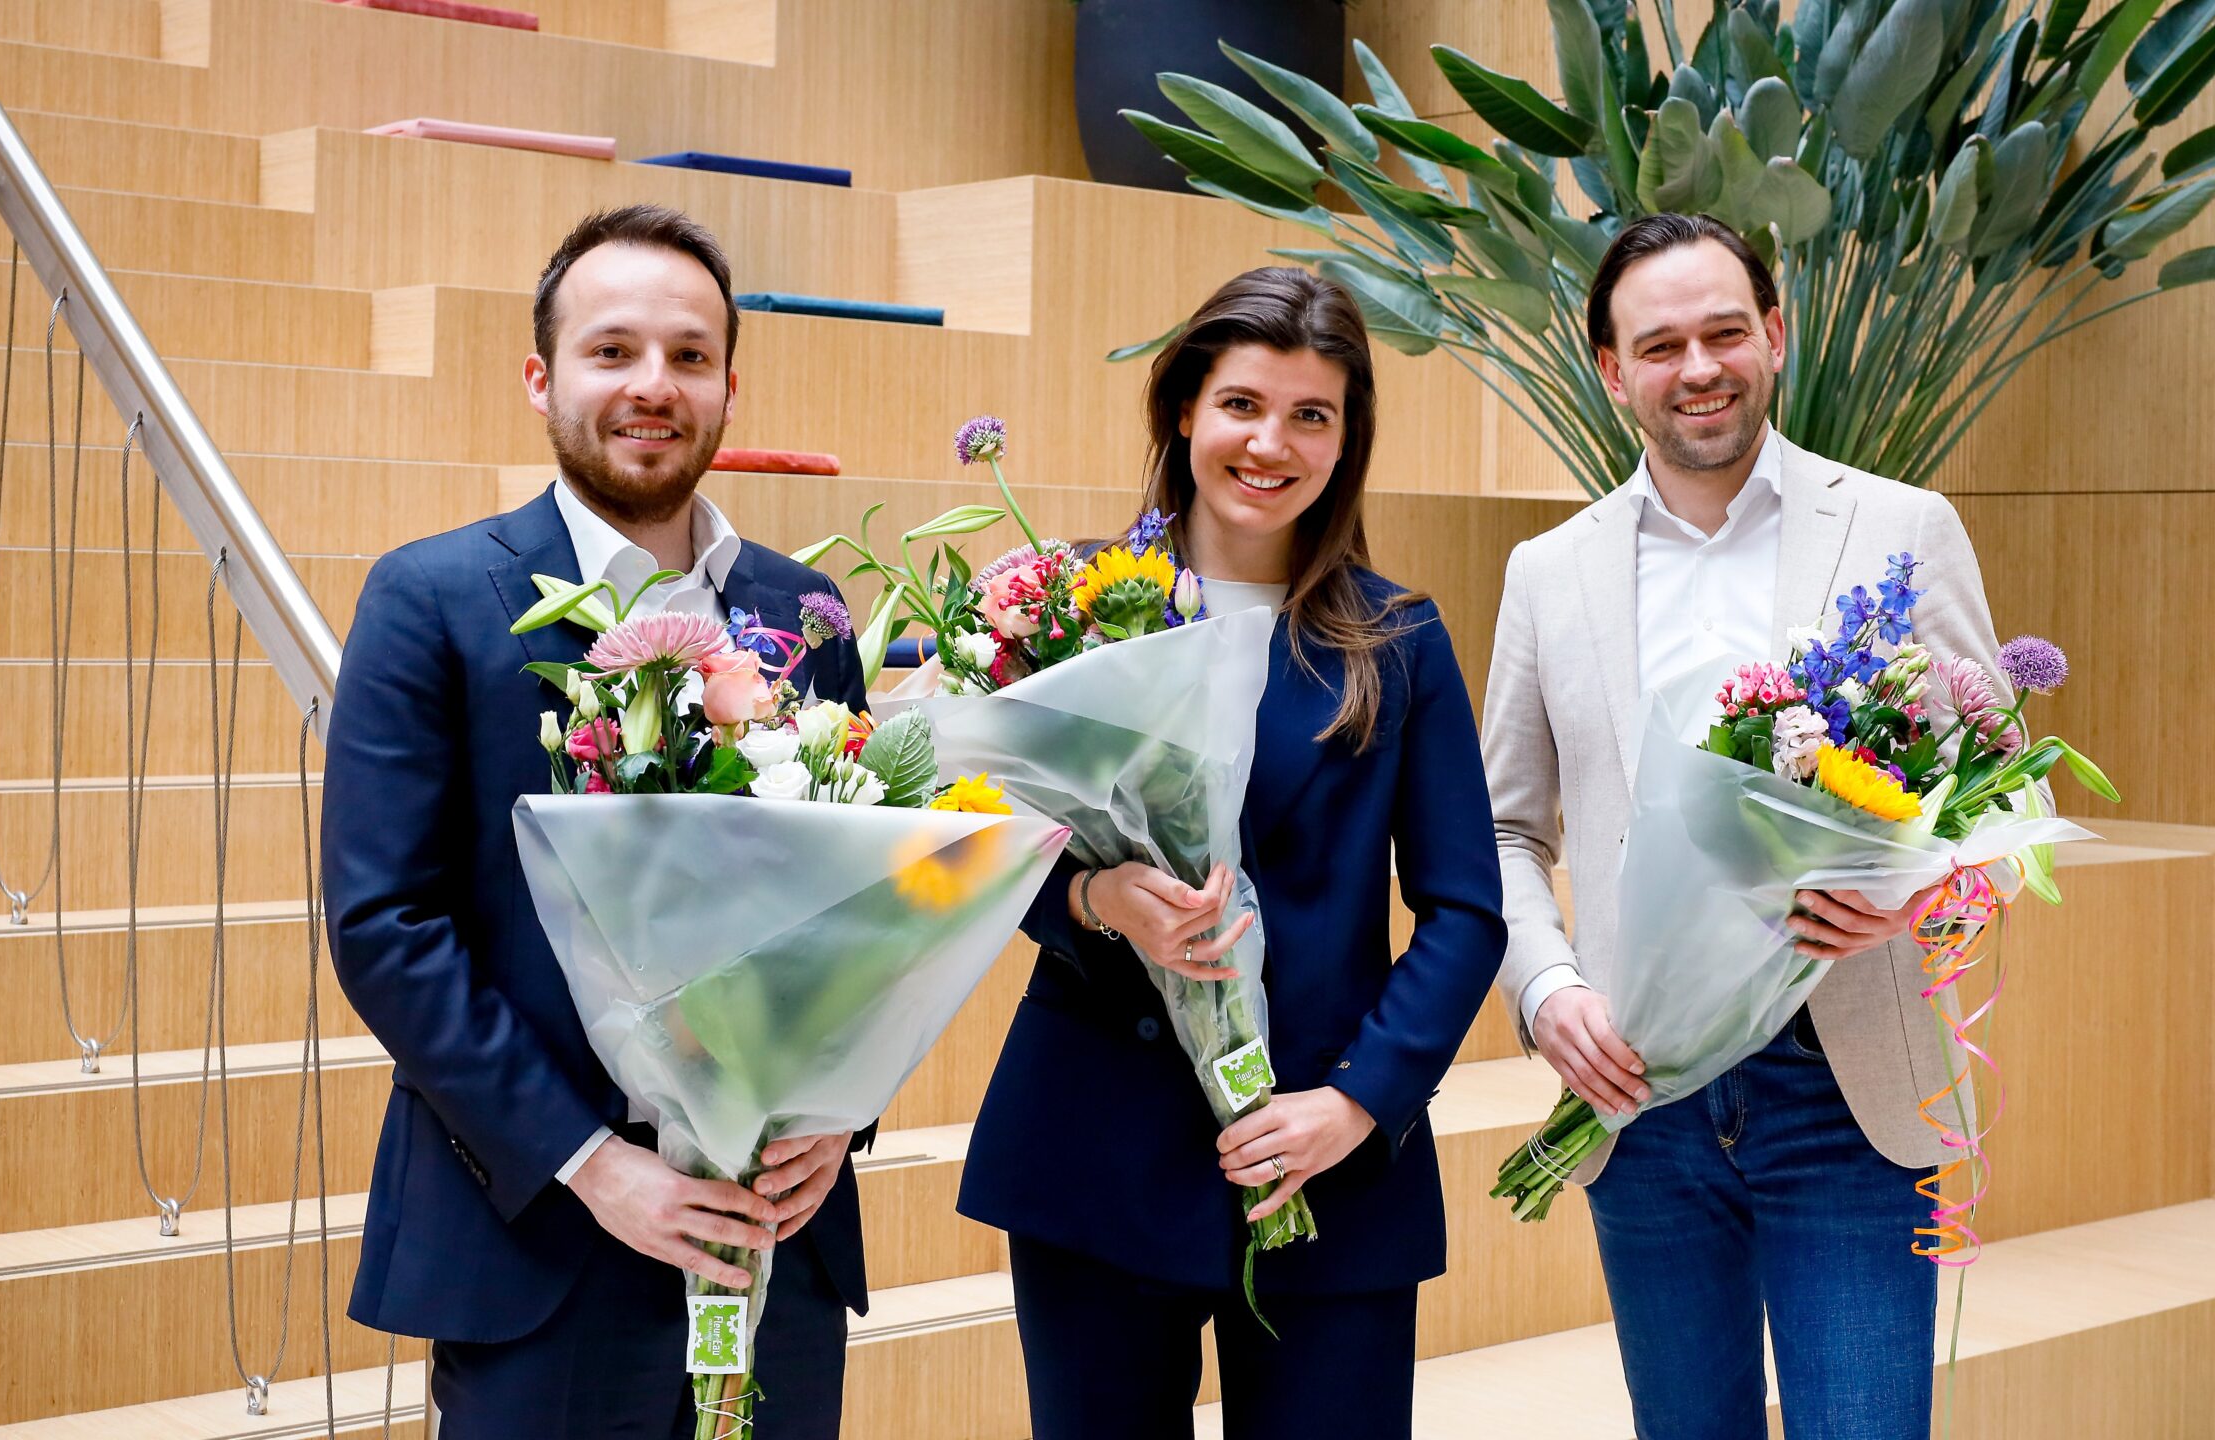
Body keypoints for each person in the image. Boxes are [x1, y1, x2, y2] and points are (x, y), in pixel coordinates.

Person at [323, 204, 868, 1439]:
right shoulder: (429, 598)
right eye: (611, 351)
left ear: (728, 388)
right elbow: (387, 928)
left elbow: (862, 909)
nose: (652, 385)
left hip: (776, 1228)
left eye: (689, 355)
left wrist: (838, 1114)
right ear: (542, 379)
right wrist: (594, 1163)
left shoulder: (804, 613)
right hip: (543, 1240)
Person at [1484, 212, 2016, 1440]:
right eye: (1659, 345)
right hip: (1639, 1092)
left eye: (1725, 332)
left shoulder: (1901, 529)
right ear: (1611, 371)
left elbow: (2004, 788)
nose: (1700, 368)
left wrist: (1914, 890)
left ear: (1774, 334)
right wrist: (1548, 991)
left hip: (1844, 1089)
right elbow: (1503, 832)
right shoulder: (1546, 572)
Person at [956, 266, 1508, 1440]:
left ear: (1346, 441)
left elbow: (1465, 912)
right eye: (1242, 405)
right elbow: (981, 847)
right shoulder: (1062, 610)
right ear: (1183, 411)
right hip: (1095, 1147)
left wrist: (1354, 1103)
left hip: (1325, 1159)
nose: (1271, 444)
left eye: (1311, 415)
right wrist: (1096, 898)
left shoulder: (1398, 638)